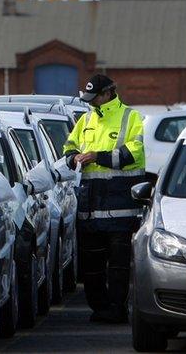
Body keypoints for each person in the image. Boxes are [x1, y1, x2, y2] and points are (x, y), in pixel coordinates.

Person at [62, 74, 145, 324]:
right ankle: (99, 308)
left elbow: (134, 152)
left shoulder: (131, 118)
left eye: (94, 97)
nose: (91, 103)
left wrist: (98, 156)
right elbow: (69, 147)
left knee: (118, 266)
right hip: (90, 206)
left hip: (120, 207)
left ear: (108, 93)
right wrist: (74, 158)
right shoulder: (85, 118)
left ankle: (117, 309)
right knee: (92, 265)